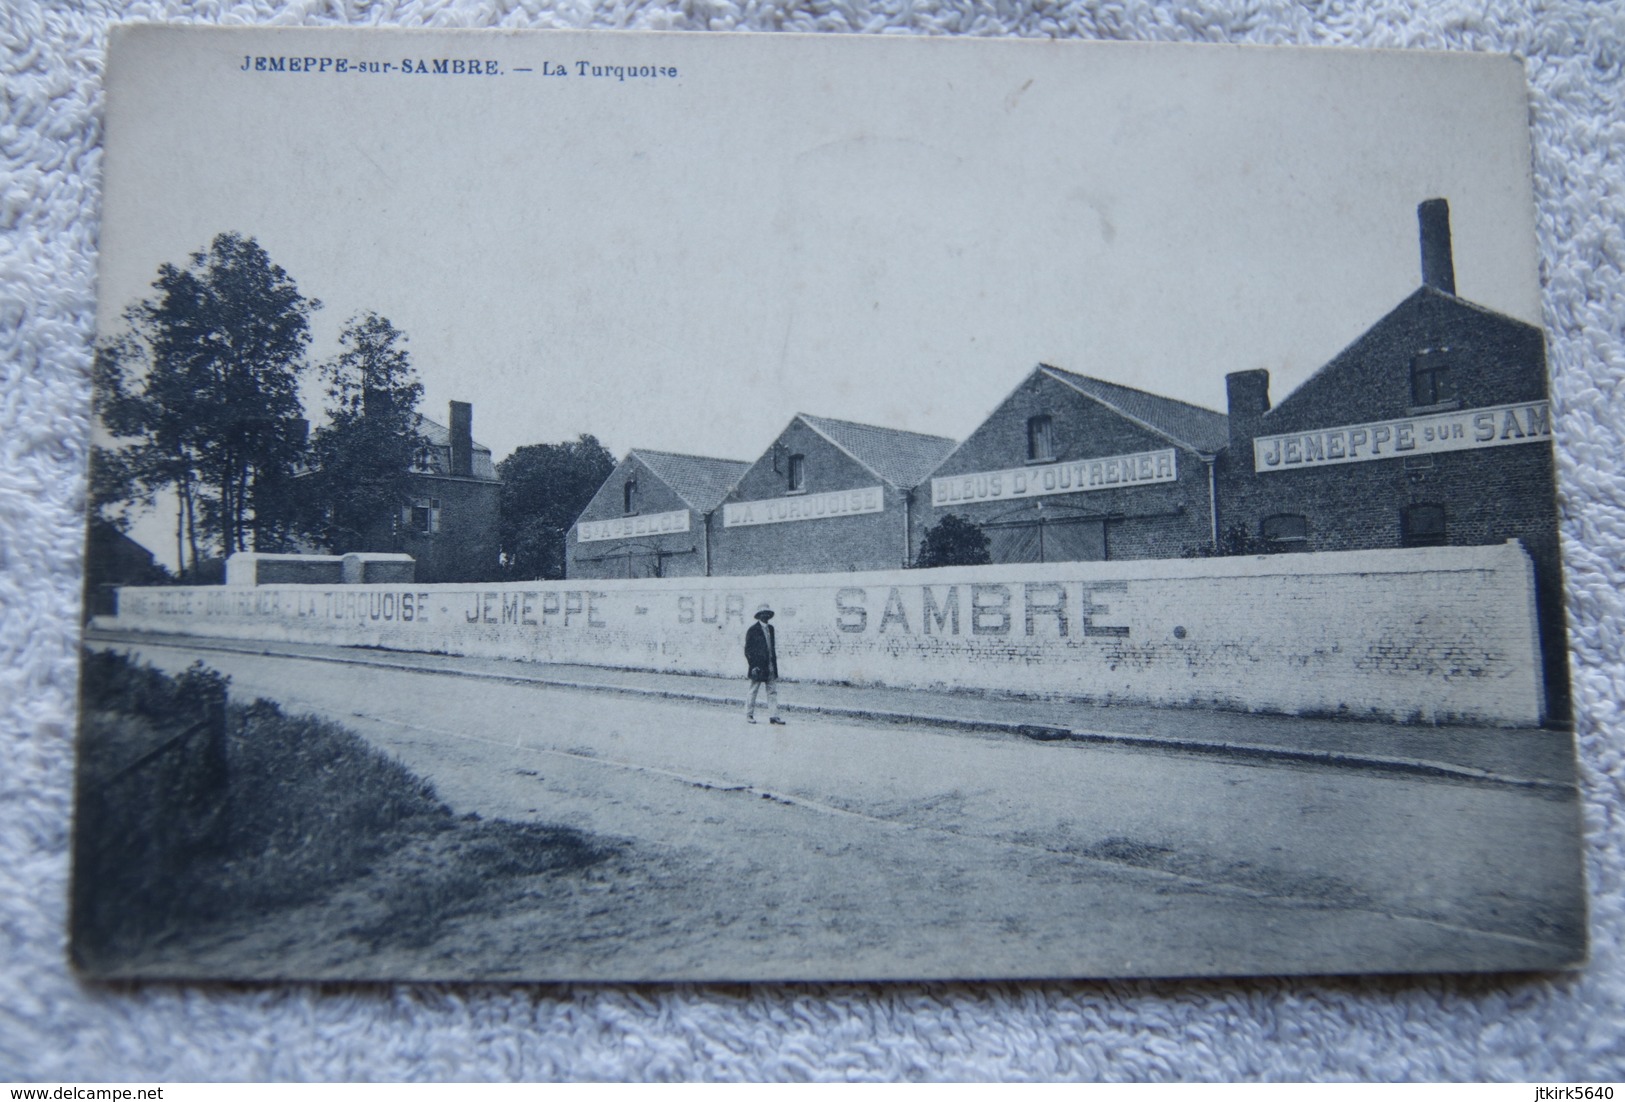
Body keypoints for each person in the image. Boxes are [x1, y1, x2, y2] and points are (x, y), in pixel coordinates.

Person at [744, 603, 785, 725]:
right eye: (763, 613)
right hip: (758, 666)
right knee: (753, 690)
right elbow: (748, 650)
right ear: (759, 615)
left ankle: (774, 716)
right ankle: (749, 715)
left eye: (767, 613)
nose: (765, 615)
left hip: (770, 665)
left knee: (772, 691)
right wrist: (753, 665)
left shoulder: (771, 629)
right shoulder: (752, 630)